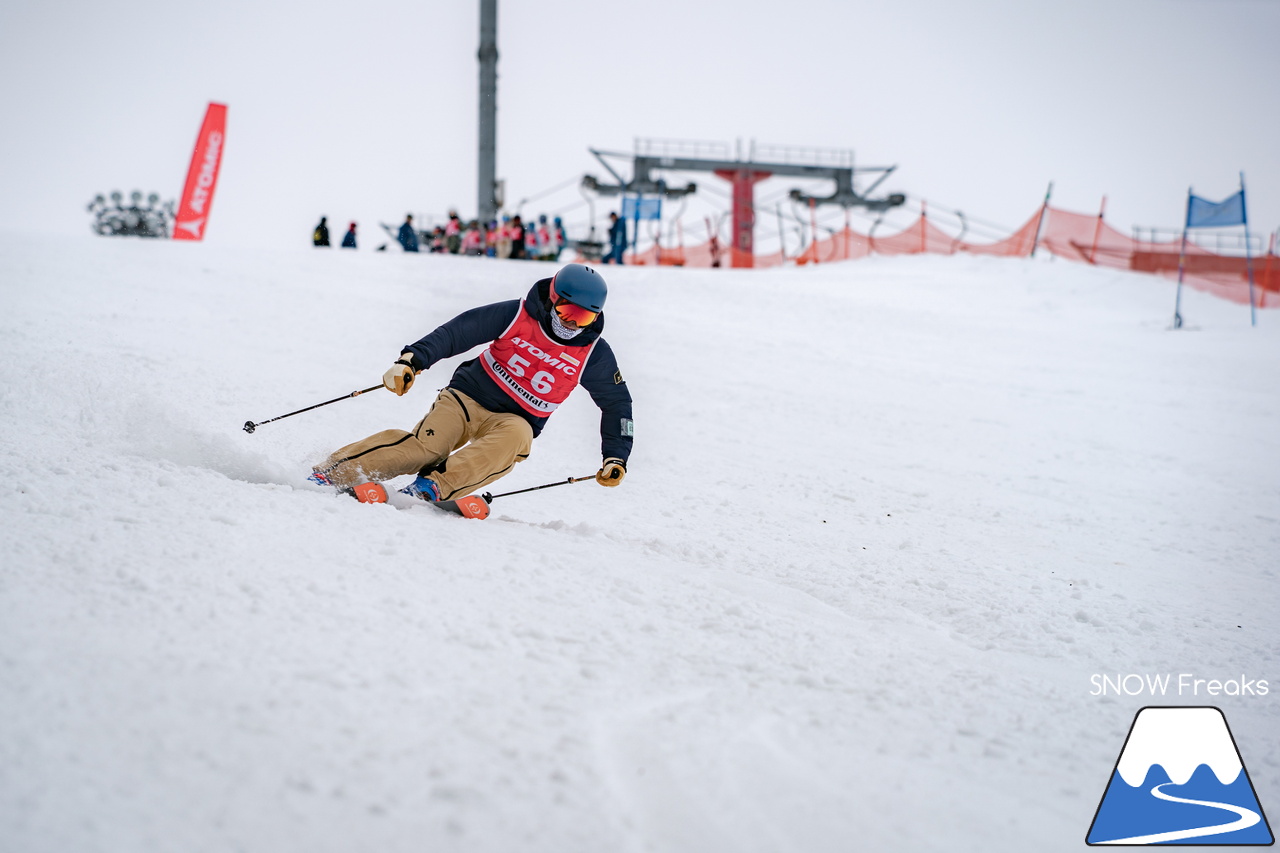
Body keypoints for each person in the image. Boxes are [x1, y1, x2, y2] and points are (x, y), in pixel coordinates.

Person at [308, 264, 633, 507]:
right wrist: (412, 360)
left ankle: (431, 488)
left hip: (515, 420)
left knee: (518, 438)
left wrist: (616, 457)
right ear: (551, 299)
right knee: (427, 449)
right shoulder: (518, 314)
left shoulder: (593, 354)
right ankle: (333, 472)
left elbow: (617, 403)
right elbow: (459, 331)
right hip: (467, 398)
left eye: (584, 317)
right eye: (566, 310)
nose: (571, 323)